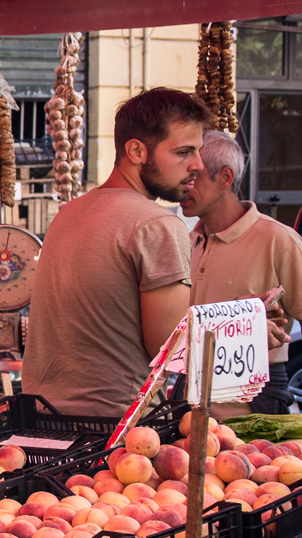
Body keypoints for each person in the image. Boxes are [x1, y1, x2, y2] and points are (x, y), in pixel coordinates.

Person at [25, 88, 209, 415]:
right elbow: (171, 351)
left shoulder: (70, 212)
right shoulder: (156, 225)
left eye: (198, 151)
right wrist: (245, 330)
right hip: (119, 433)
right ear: (136, 151)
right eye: (183, 152)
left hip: (42, 419)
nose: (197, 164)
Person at [179, 131, 302, 415]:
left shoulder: (278, 240)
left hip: (254, 407)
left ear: (225, 178)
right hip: (191, 404)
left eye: (193, 176)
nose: (183, 185)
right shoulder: (187, 242)